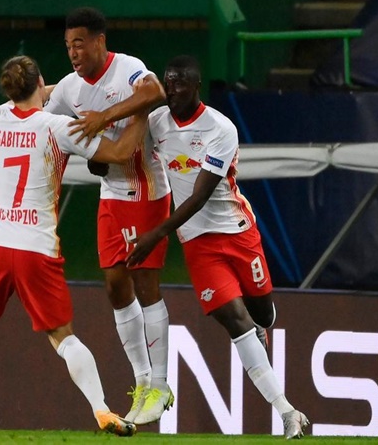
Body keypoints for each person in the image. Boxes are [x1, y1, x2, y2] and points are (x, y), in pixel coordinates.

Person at [0, 55, 149, 436]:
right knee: (64, 338)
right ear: (40, 83)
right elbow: (120, 153)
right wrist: (141, 114)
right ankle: (102, 410)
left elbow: (20, 117)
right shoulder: (59, 127)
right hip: (36, 247)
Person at [126, 55, 309, 439]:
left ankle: (261, 324)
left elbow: (199, 197)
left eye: (179, 83)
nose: (171, 90)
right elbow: (128, 149)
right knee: (235, 321)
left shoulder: (220, 128)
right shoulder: (156, 122)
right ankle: (288, 412)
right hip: (198, 243)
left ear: (196, 86)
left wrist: (155, 234)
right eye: (167, 82)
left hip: (238, 232)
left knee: (262, 313)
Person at [43, 7, 174, 425]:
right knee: (116, 286)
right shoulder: (69, 87)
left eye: (79, 44)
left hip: (146, 189)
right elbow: (39, 110)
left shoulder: (127, 68)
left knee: (145, 284)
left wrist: (105, 117)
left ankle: (161, 383)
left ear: (100, 41)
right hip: (111, 192)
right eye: (68, 46)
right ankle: (142, 381)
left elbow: (155, 92)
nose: (73, 53)